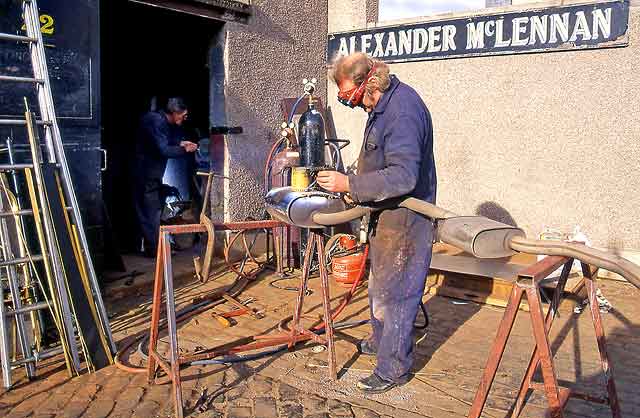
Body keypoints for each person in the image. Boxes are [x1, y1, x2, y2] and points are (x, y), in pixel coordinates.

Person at [317, 52, 437, 393]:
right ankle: (382, 343)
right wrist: (356, 177)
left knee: (396, 294)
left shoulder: (402, 110)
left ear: (369, 83)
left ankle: (393, 369)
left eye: (352, 100)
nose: (355, 107)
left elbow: (402, 176)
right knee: (380, 286)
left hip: (407, 218)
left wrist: (349, 185)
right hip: (388, 215)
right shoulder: (382, 104)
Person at [133, 97, 197, 257]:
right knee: (151, 211)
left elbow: (164, 142)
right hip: (146, 173)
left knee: (148, 210)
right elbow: (164, 150)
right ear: (175, 113)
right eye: (183, 115)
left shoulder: (158, 120)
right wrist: (186, 150)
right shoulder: (157, 122)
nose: (184, 118)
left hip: (147, 172)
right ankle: (156, 251)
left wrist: (181, 144)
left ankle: (150, 247)